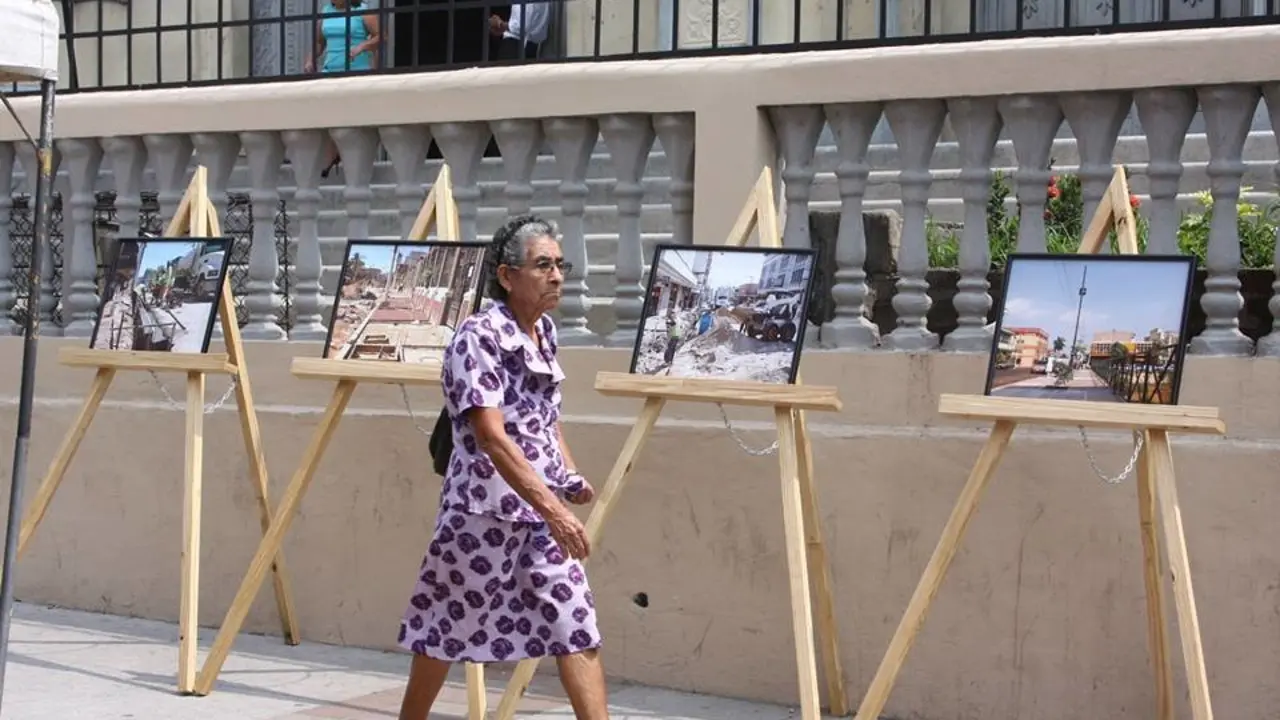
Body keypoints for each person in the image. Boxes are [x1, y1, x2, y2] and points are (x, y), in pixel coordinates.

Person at [396, 215, 610, 720]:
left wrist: (569, 476)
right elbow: (492, 437)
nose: (556, 275)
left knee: (576, 623)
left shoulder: (544, 332)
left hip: (539, 513)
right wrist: (556, 512)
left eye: (560, 264)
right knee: (445, 627)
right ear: (507, 276)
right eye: (543, 265)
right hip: (481, 514)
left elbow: (544, 416)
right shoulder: (478, 338)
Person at [303, 0, 382, 176]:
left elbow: (380, 36)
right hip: (330, 71)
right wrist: (310, 59)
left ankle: (351, 158)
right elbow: (319, 43)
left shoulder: (363, 12)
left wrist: (362, 46)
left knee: (352, 118)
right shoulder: (326, 12)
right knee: (329, 116)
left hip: (356, 71)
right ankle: (331, 155)